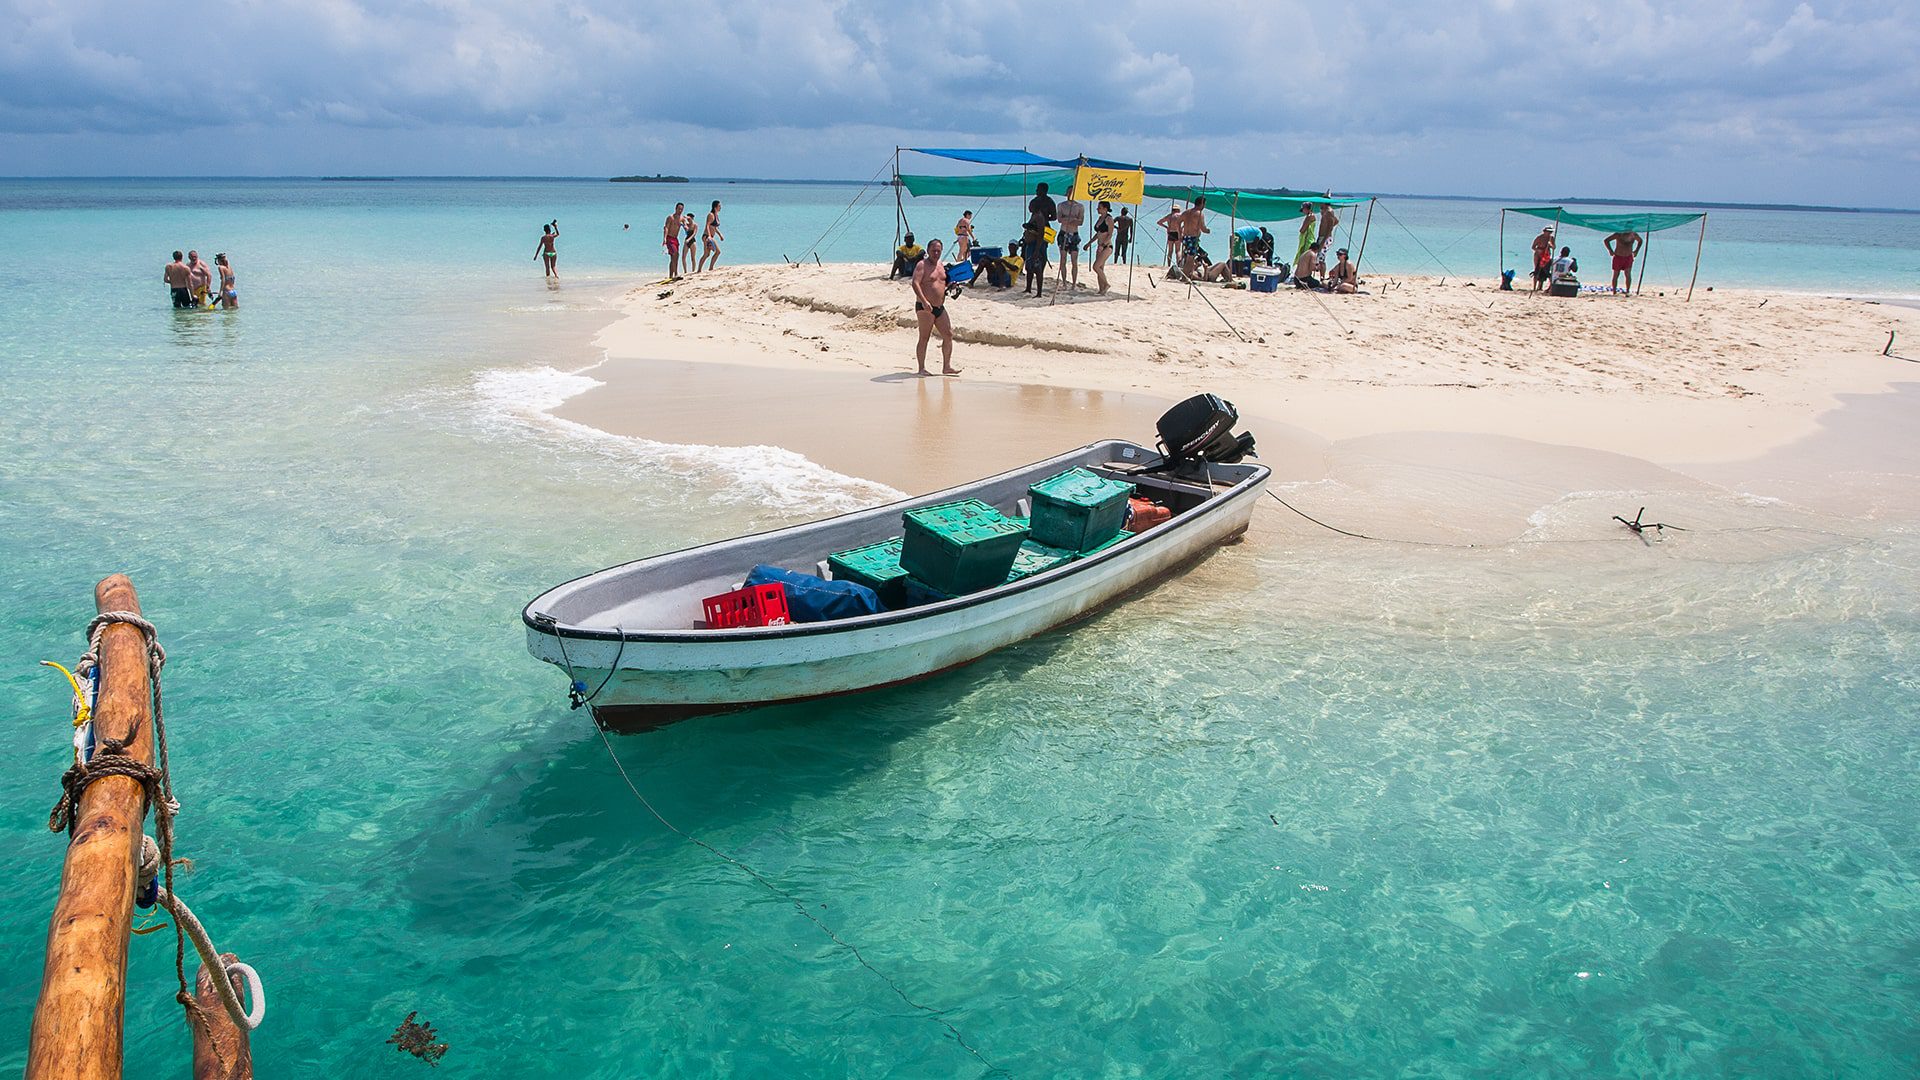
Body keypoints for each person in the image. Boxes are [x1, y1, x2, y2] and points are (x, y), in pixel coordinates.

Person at [911, 237, 959, 376]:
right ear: (928, 251)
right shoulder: (922, 265)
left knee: (948, 334)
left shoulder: (941, 266)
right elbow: (915, 283)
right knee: (924, 337)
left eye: (938, 251)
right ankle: (921, 368)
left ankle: (947, 366)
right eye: (933, 250)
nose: (936, 253)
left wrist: (951, 286)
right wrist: (924, 301)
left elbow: (942, 283)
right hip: (925, 307)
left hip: (939, 307)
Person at [1024, 183, 1056, 296]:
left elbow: (1054, 218)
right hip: (1032, 237)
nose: (1036, 191)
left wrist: (1044, 219)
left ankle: (1038, 292)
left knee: (1038, 264)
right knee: (1029, 263)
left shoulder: (1041, 212)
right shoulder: (1036, 210)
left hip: (1040, 237)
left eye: (1038, 189)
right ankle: (1028, 288)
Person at [1055, 192, 1084, 288]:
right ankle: (1064, 282)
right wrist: (1072, 218)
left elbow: (1080, 222)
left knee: (1074, 261)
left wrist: (1068, 218)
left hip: (1074, 234)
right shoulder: (1061, 205)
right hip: (1064, 234)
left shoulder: (1079, 206)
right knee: (1063, 259)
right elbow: (1059, 219)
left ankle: (1074, 283)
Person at [1178, 197, 1210, 279]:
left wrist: (1180, 234)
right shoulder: (1199, 214)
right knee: (1190, 259)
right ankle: (1184, 277)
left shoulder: (1186, 212)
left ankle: (1186, 275)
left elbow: (1178, 222)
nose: (1204, 206)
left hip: (1185, 237)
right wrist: (1207, 230)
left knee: (1189, 257)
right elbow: (1202, 228)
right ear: (1202, 204)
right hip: (1193, 238)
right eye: (1204, 204)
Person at [1605, 228, 1642, 295]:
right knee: (1616, 274)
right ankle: (1614, 291)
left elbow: (1640, 241)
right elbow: (1606, 240)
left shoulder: (1633, 234)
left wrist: (1636, 250)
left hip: (1628, 257)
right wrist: (1610, 250)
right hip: (1618, 256)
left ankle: (1627, 291)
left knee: (1628, 274)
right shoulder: (1618, 234)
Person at [1089, 201, 1114, 294]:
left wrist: (1103, 245)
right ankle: (1101, 289)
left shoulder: (1109, 219)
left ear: (1105, 208)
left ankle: (1107, 284)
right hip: (1099, 246)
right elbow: (1098, 233)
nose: (1097, 209)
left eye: (1099, 207)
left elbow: (1110, 234)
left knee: (1095, 266)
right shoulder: (1100, 218)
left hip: (1106, 246)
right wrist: (1089, 243)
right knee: (1100, 268)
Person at [663, 202, 686, 278]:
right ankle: (676, 274)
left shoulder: (682, 218)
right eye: (679, 209)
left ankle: (670, 276)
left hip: (676, 239)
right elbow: (666, 228)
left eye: (681, 209)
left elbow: (685, 225)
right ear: (675, 208)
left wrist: (686, 227)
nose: (680, 210)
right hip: (669, 238)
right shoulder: (670, 217)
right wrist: (664, 239)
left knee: (674, 257)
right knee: (675, 254)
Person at [1530, 225, 1556, 292]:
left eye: (1550, 232)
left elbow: (1554, 247)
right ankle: (1534, 287)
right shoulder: (1539, 237)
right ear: (1544, 231)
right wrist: (1538, 250)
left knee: (1545, 270)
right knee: (1537, 270)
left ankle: (1541, 286)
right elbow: (1533, 247)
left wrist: (1550, 245)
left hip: (1546, 255)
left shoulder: (1551, 238)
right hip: (1538, 254)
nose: (1549, 233)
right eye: (1548, 232)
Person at [700, 201, 724, 271]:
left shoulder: (716, 215)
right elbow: (707, 225)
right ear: (715, 207)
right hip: (707, 236)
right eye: (719, 206)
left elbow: (714, 227)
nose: (720, 208)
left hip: (711, 236)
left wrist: (720, 235)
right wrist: (709, 236)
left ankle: (700, 270)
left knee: (706, 254)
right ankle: (710, 268)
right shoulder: (711, 215)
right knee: (717, 252)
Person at [1294, 204, 1318, 268]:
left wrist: (1301, 231)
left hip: (1307, 239)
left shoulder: (1309, 216)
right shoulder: (1311, 216)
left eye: (1303, 210)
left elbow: (1302, 229)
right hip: (1310, 238)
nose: (1303, 212)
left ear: (1306, 209)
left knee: (1304, 256)